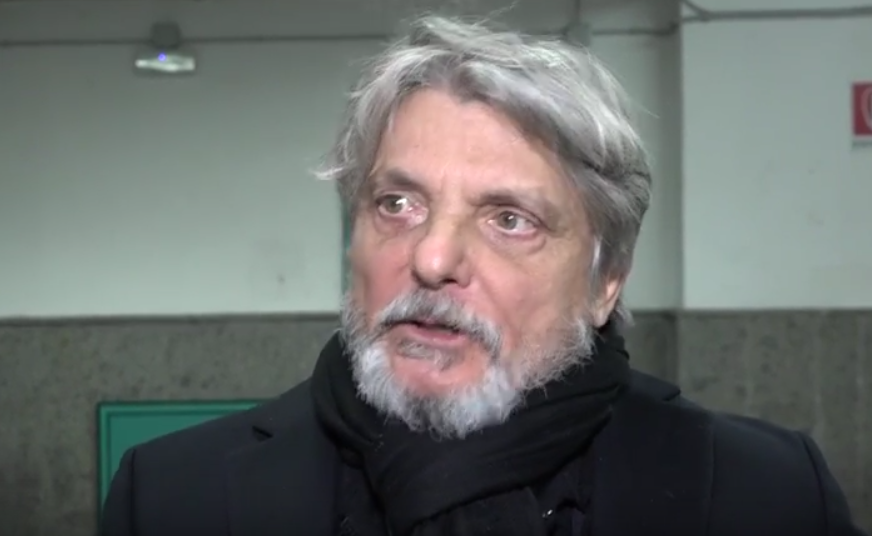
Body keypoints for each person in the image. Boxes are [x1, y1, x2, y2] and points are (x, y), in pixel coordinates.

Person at [101, 15, 867, 536]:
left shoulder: (766, 494)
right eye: (398, 204)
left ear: (606, 280)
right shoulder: (173, 496)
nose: (432, 260)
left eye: (509, 219)